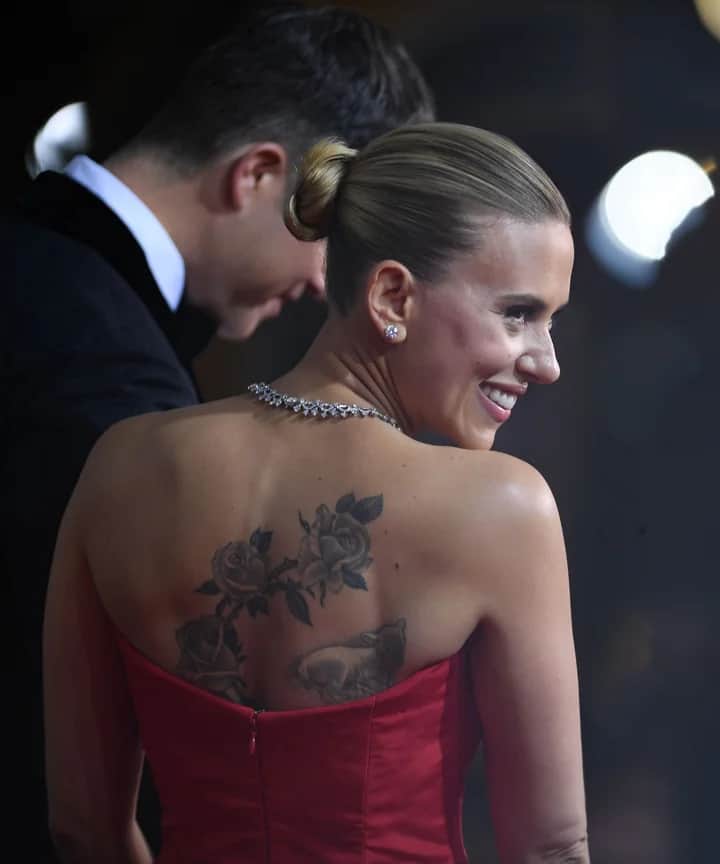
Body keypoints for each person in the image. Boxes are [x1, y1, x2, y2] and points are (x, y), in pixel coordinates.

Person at [43, 122, 589, 863]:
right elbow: (550, 848)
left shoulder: (121, 465)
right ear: (392, 296)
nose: (547, 363)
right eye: (518, 314)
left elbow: (84, 831)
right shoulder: (503, 507)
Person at [2, 5, 434, 859]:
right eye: (337, 239)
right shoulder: (109, 380)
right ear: (257, 176)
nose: (328, 284)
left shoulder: (39, 267)